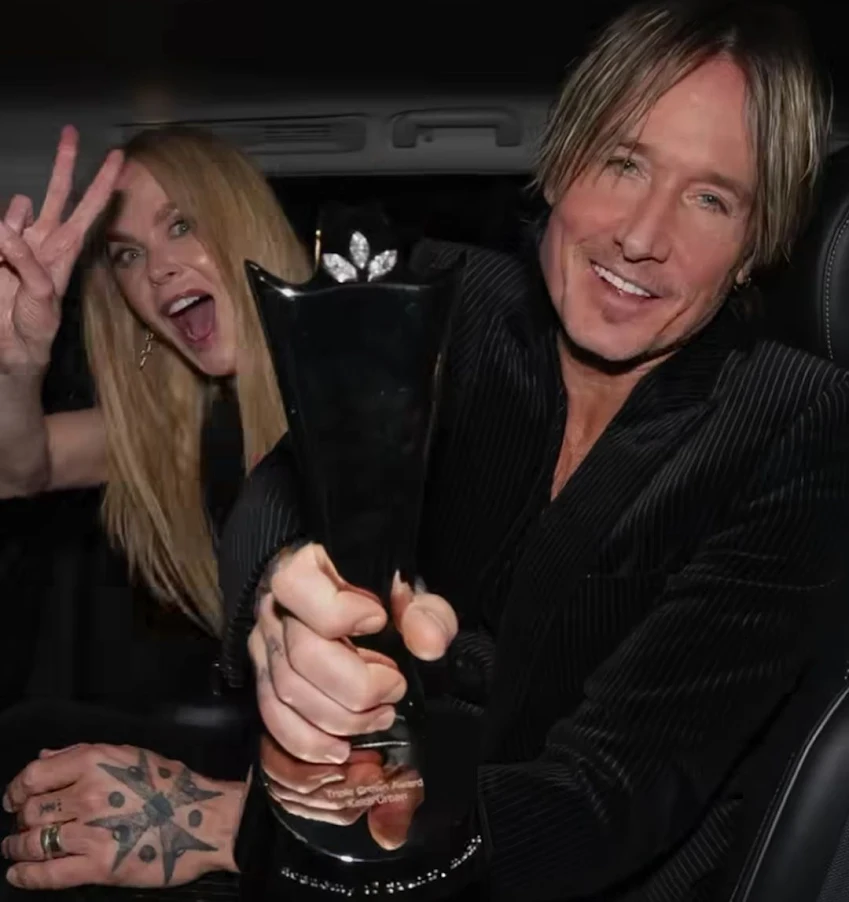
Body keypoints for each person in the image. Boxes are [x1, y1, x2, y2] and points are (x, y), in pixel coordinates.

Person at [215, 1, 849, 900]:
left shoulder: (795, 424)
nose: (642, 237)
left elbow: (613, 791)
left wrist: (274, 826)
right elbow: (286, 485)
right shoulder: (449, 304)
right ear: (556, 166)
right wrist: (277, 598)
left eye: (711, 199)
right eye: (623, 162)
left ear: (752, 248)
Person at [0, 125, 312, 892]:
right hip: (272, 750)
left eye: (181, 225)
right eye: (127, 255)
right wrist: (17, 369)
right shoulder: (182, 427)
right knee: (28, 742)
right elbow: (18, 469)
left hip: (380, 761)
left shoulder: (367, 382)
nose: (157, 267)